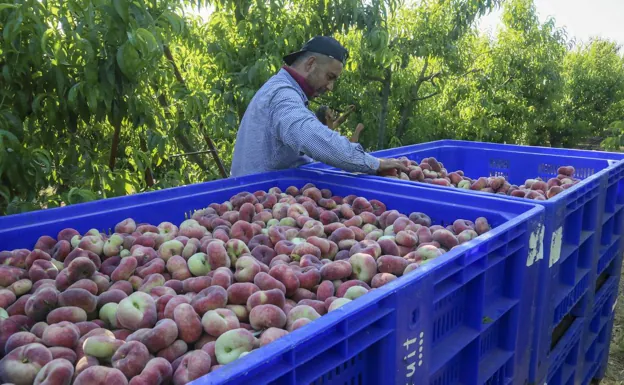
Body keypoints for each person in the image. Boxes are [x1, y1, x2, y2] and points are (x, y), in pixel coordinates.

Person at [230, 36, 408, 177]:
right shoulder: (282, 94)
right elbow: (310, 135)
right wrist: (372, 163)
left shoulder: (276, 87)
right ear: (310, 64)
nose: (330, 88)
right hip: (261, 199)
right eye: (330, 77)